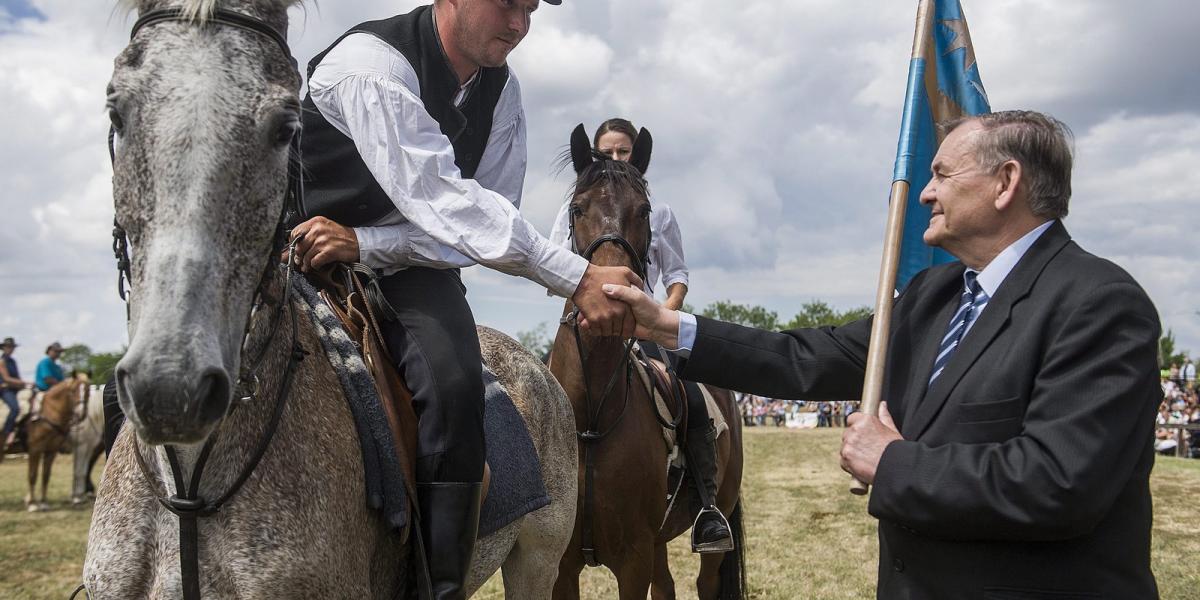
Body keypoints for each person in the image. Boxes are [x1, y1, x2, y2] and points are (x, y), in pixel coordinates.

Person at [605, 111, 1161, 598]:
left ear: (1005, 182)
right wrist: (668, 326)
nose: (924, 192)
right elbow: (805, 355)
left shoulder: (1099, 305)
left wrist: (894, 463)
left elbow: (1059, 483)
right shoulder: (933, 296)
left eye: (942, 174)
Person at [288, 2, 640, 597]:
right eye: (507, 3)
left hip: (412, 266)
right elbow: (447, 201)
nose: (520, 24)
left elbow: (482, 219)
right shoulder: (371, 66)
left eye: (529, 9)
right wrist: (576, 276)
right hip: (300, 249)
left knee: (454, 388)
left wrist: (368, 244)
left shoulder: (503, 93)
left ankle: (437, 585)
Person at [548, 118, 735, 552]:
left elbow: (677, 275)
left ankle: (707, 506)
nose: (615, 159)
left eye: (623, 152)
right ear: (591, 157)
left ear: (637, 156)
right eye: (606, 152)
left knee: (689, 391)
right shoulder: (573, 206)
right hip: (583, 320)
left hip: (645, 320)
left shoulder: (658, 210)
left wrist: (662, 316)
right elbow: (553, 263)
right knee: (540, 391)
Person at [1, 337, 32, 451]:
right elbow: (6, 379)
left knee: (33, 399)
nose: (10, 349)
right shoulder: (2, 361)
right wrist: (25, 382)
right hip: (5, 389)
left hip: (15, 389)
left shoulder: (13, 362)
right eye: (8, 347)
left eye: (12, 347)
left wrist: (24, 385)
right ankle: (8, 432)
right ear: (3, 348)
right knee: (15, 408)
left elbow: (17, 377)